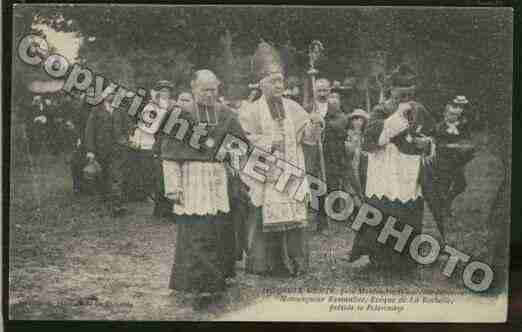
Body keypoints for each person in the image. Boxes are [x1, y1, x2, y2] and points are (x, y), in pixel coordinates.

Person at [159, 70, 246, 307]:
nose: (209, 94)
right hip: (190, 178)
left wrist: (234, 159)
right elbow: (168, 155)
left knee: (217, 230)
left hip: (218, 179)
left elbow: (240, 145)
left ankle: (213, 280)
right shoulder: (179, 115)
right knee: (195, 231)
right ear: (193, 88)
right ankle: (199, 285)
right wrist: (173, 187)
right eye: (204, 90)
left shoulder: (227, 114)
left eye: (213, 90)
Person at [239, 41, 322, 277]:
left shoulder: (293, 107)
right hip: (263, 172)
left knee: (295, 216)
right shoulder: (250, 110)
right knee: (261, 214)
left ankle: (294, 263)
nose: (279, 85)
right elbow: (243, 139)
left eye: (281, 81)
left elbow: (307, 139)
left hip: (291, 171)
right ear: (262, 83)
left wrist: (315, 125)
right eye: (273, 81)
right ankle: (264, 264)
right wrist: (267, 143)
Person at [349, 64, 435, 281]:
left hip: (408, 169)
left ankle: (405, 257)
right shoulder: (381, 110)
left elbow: (433, 132)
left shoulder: (420, 109)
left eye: (409, 88)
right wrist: (395, 119)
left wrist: (426, 142)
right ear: (391, 89)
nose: (405, 93)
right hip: (385, 168)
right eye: (400, 88)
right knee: (385, 211)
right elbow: (370, 141)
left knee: (407, 210)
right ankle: (380, 257)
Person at [430, 101, 475, 239]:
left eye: (456, 114)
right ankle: (442, 212)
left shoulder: (462, 128)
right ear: (445, 114)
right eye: (451, 114)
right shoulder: (439, 128)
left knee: (461, 185)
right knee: (444, 186)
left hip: (457, 162)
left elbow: (468, 141)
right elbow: (437, 145)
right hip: (443, 162)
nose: (454, 117)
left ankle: (447, 202)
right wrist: (454, 146)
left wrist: (467, 148)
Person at [126, 80, 175, 203]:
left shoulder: (173, 105)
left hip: (168, 140)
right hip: (151, 140)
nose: (165, 93)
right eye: (162, 91)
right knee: (149, 169)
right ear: (158, 92)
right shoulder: (151, 106)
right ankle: (148, 193)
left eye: (167, 91)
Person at [84, 90, 131, 217]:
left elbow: (128, 127)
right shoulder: (96, 110)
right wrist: (90, 151)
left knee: (117, 176)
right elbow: (89, 131)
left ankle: (117, 206)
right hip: (101, 150)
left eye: (114, 94)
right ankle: (104, 203)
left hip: (118, 150)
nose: (112, 96)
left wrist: (125, 140)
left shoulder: (121, 110)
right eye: (110, 94)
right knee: (102, 177)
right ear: (104, 95)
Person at [344, 108, 370, 200]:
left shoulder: (366, 134)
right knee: (353, 183)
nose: (357, 122)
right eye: (355, 119)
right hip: (353, 161)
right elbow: (347, 150)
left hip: (364, 162)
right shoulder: (349, 134)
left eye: (360, 119)